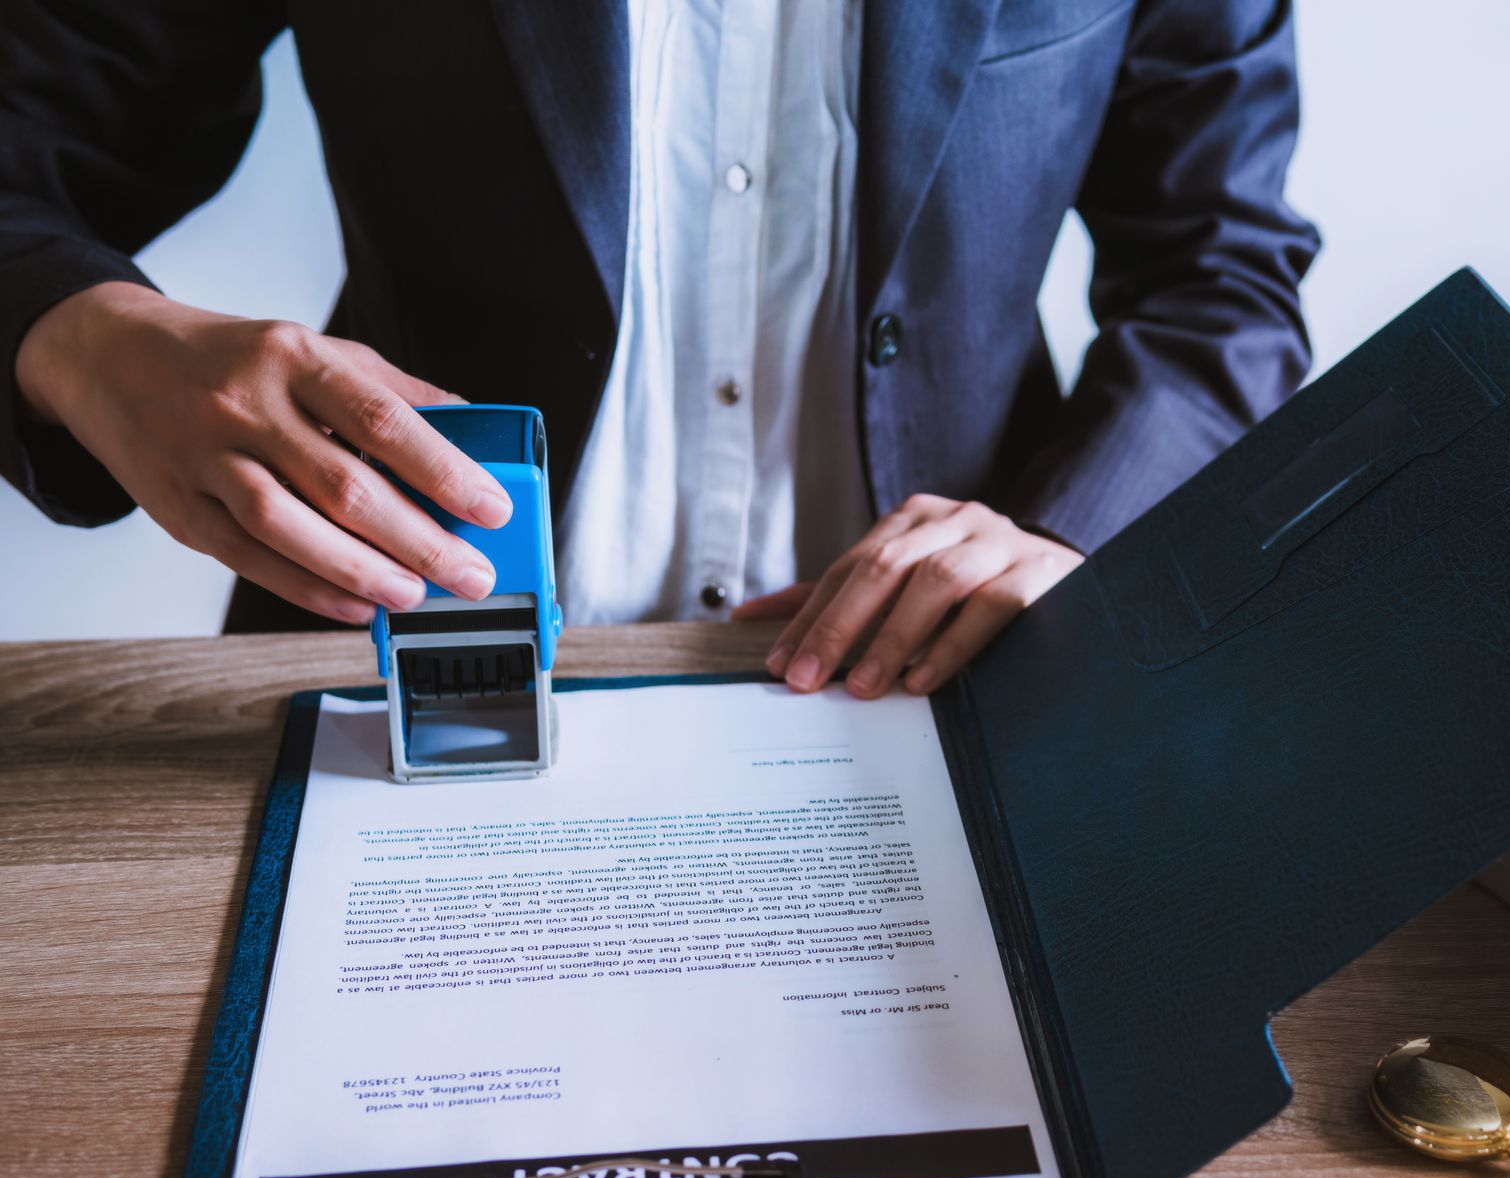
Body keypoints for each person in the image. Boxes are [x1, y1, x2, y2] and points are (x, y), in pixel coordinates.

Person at [0, 0, 1316, 697]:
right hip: (389, 681)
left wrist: (1076, 532)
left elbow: (1222, 280)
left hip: (963, 699)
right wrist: (87, 338)